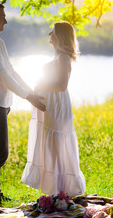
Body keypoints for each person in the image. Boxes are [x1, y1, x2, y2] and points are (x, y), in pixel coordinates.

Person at [0, 2, 46, 209]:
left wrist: (31, 91)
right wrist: (28, 97)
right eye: (2, 17)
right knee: (1, 154)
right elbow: (3, 76)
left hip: (1, 104)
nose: (6, 20)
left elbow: (12, 71)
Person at [21, 21, 86, 196]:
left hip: (57, 106)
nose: (49, 34)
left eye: (53, 32)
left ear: (60, 36)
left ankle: (62, 190)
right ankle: (56, 190)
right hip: (50, 105)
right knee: (51, 146)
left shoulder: (64, 57)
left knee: (57, 145)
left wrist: (41, 83)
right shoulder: (58, 57)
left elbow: (62, 85)